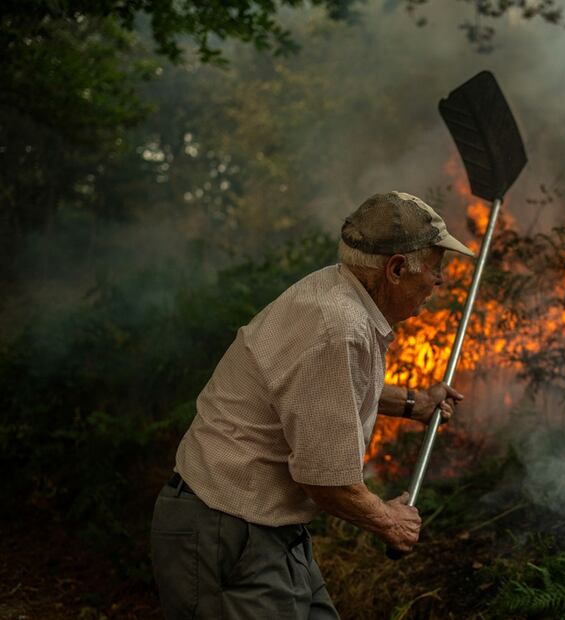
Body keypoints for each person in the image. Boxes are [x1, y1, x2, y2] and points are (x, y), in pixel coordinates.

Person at [150, 191, 472, 619]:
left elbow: (325, 393)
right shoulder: (338, 326)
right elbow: (326, 481)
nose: (439, 282)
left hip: (264, 529)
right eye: (435, 269)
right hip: (227, 531)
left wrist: (415, 403)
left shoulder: (340, 294)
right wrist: (388, 520)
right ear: (396, 269)